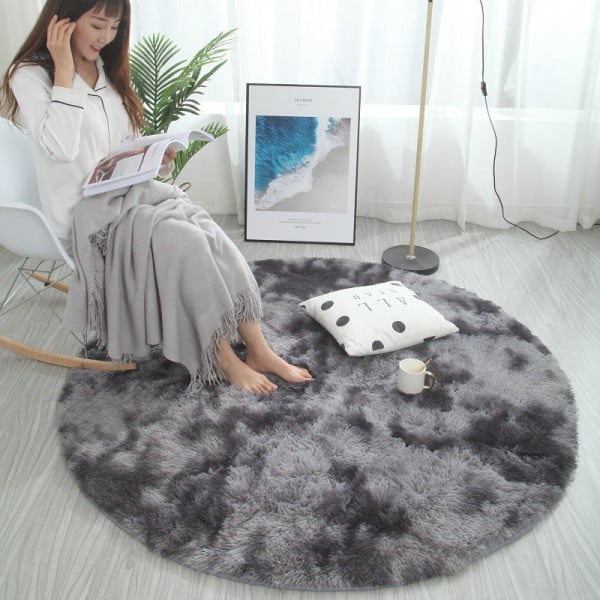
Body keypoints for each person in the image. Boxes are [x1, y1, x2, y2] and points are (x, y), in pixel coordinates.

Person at [1, 0, 313, 394]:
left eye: (114, 26)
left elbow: (120, 148)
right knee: (184, 244)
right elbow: (61, 149)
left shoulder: (104, 68)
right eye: (97, 24)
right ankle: (221, 357)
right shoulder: (30, 75)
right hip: (87, 215)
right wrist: (63, 69)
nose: (105, 37)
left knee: (206, 231)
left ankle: (259, 348)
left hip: (131, 194)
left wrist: (154, 158)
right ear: (62, 21)